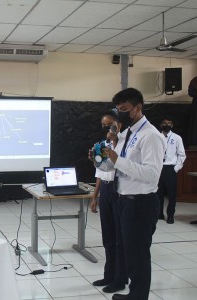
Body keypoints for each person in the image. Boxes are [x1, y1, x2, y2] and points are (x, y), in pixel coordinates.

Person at [97, 88, 165, 300]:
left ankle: (138, 296)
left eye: (125, 109)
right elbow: (115, 153)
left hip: (141, 202)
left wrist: (118, 160)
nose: (121, 114)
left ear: (138, 107)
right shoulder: (129, 133)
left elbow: (152, 174)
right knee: (129, 251)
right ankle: (134, 293)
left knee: (139, 254)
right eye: (118, 110)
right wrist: (109, 147)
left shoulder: (150, 136)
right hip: (124, 199)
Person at [90, 109, 127, 294]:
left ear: (118, 125)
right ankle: (109, 274)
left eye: (110, 124)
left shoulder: (124, 144)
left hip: (119, 189)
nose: (107, 128)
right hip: (105, 189)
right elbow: (100, 172)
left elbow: (122, 167)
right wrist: (94, 197)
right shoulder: (101, 144)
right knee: (108, 236)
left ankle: (120, 279)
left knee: (120, 238)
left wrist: (114, 142)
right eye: (104, 125)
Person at [157, 116, 186, 224]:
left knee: (171, 194)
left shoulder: (177, 138)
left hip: (170, 168)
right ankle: (159, 214)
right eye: (164, 123)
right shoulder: (157, 137)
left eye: (169, 123)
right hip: (159, 168)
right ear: (161, 125)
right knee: (158, 193)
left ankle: (170, 215)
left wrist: (176, 168)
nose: (166, 125)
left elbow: (182, 155)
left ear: (172, 125)